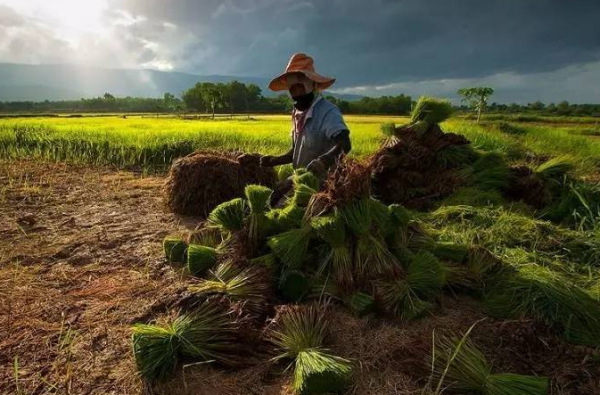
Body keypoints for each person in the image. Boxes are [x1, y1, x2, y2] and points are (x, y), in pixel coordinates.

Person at [260, 53, 351, 181]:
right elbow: (297, 151)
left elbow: (344, 144)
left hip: (327, 184)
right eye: (292, 89)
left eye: (300, 87)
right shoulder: (298, 114)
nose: (296, 93)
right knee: (275, 197)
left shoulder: (328, 112)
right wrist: (274, 160)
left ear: (313, 85)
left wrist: (323, 162)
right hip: (301, 179)